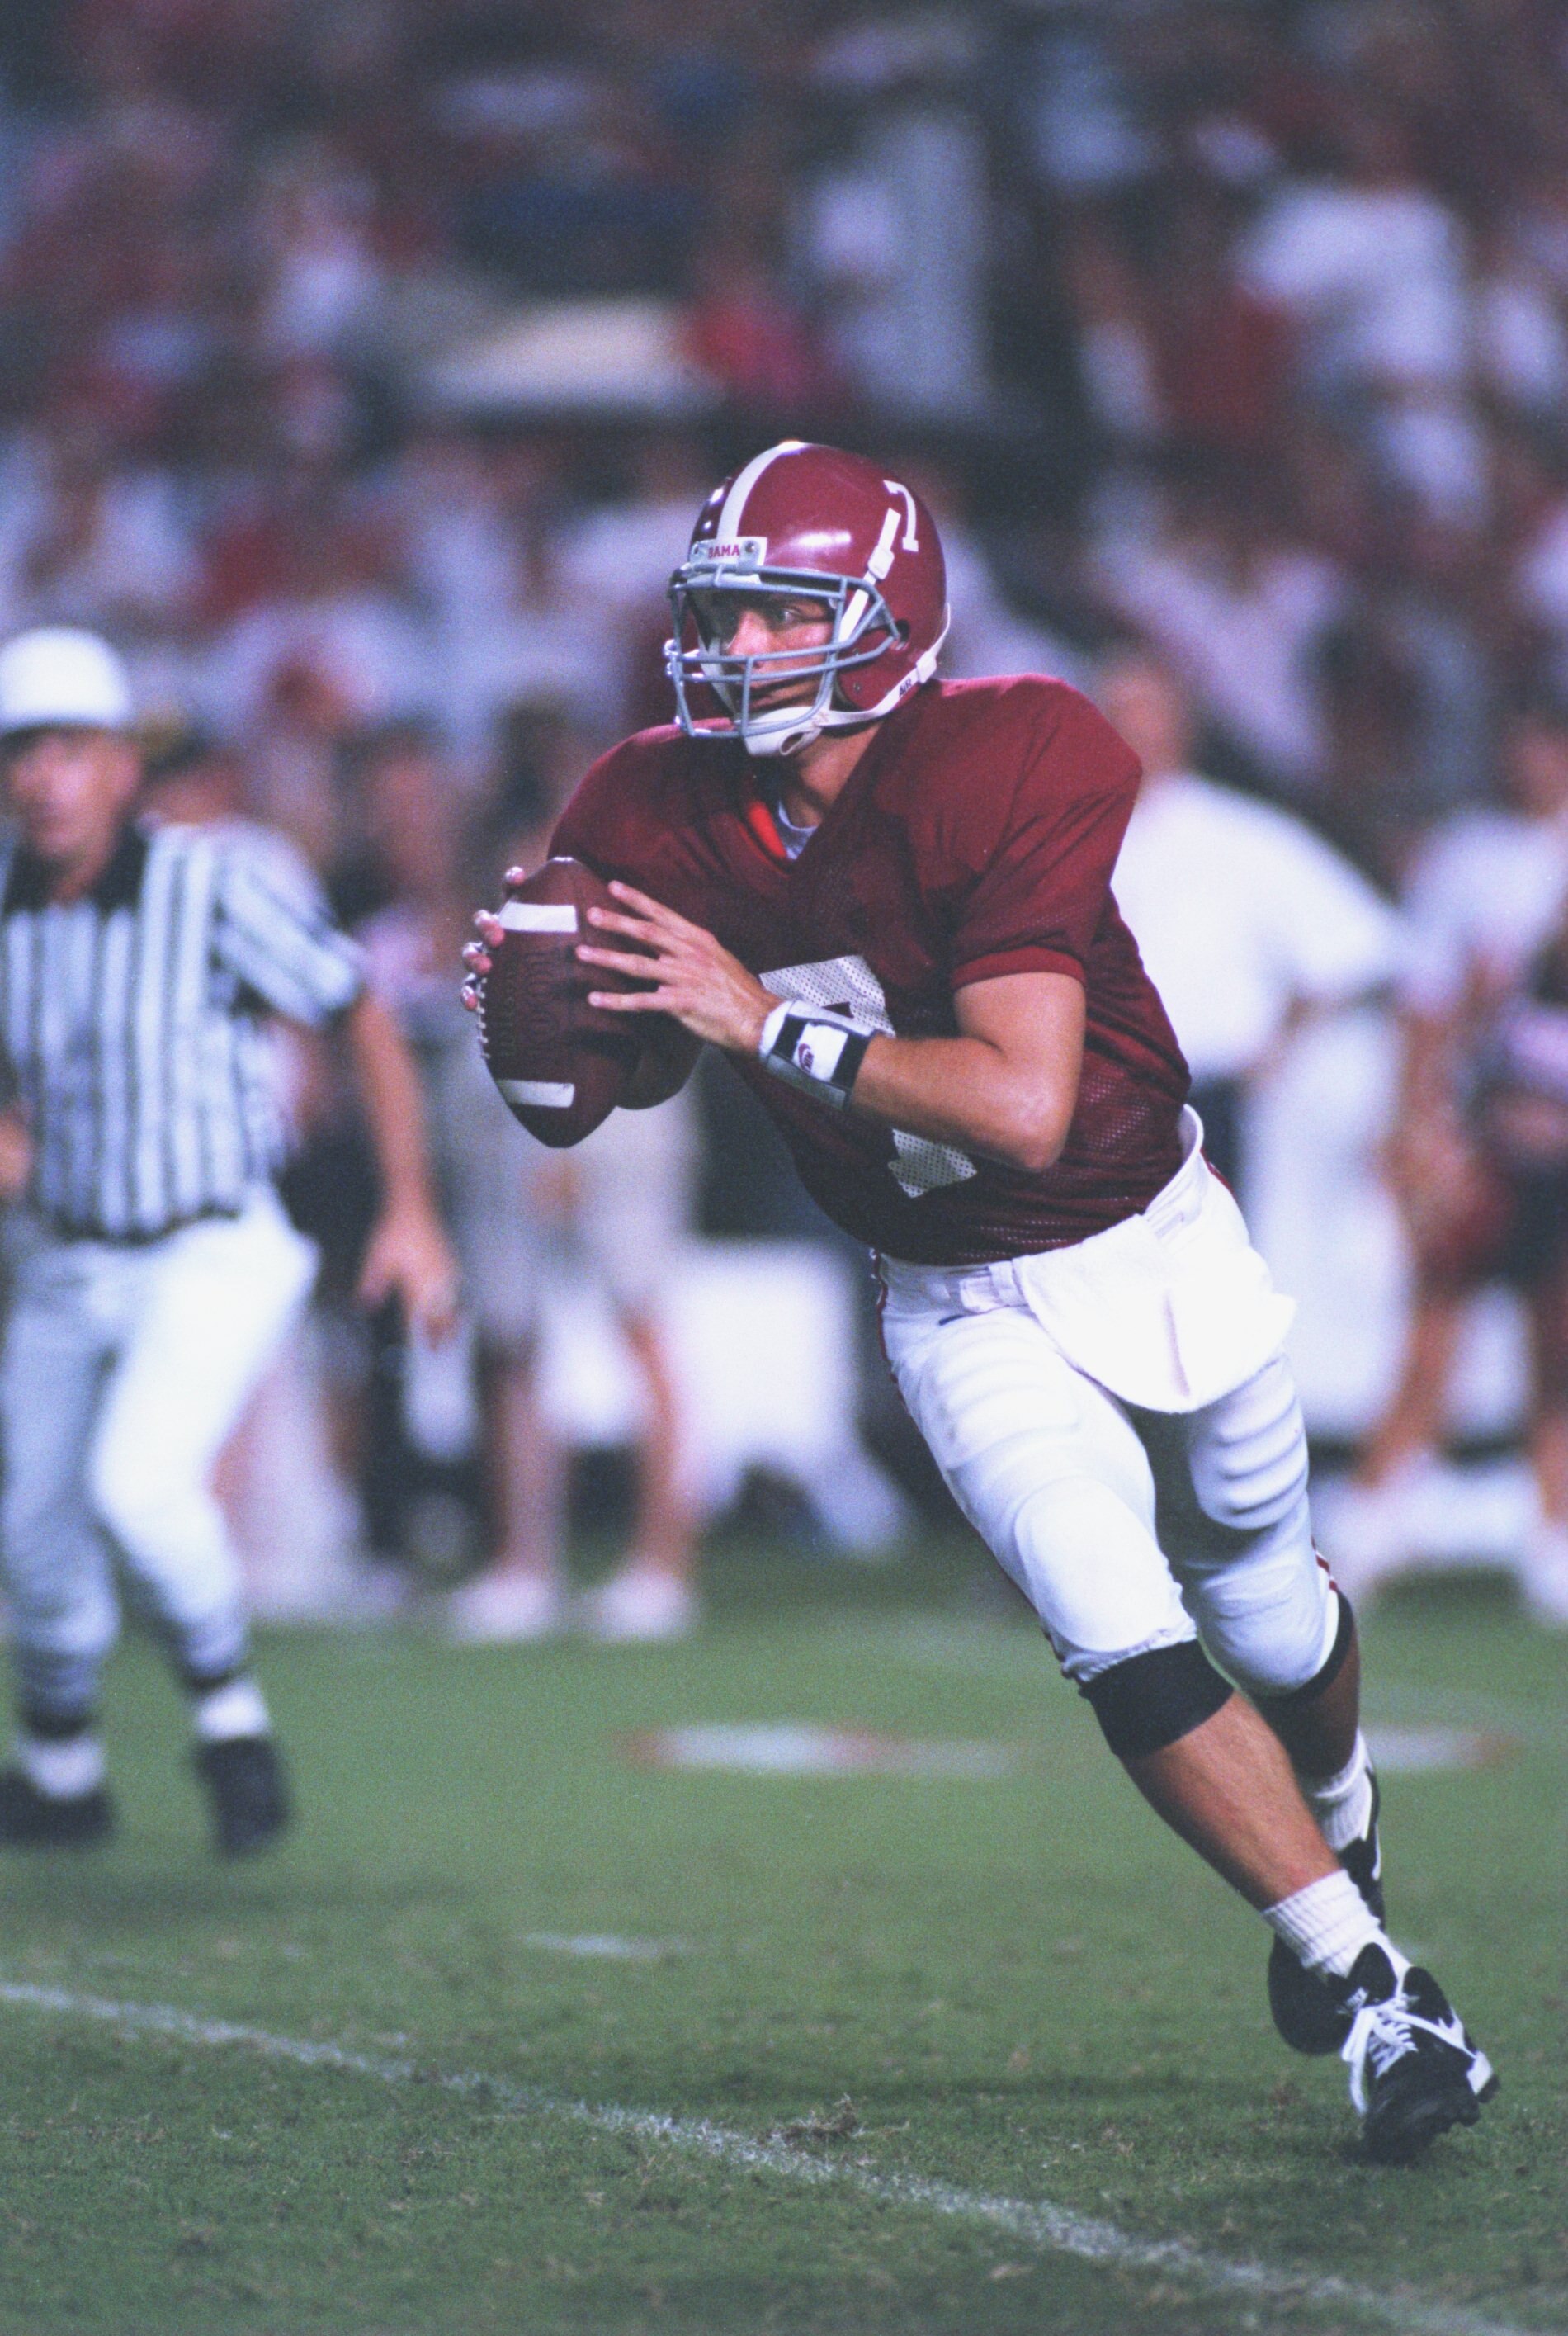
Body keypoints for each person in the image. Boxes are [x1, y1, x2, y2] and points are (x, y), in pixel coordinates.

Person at [462, 441, 1496, 2163]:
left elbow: (1019, 1098)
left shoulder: (1011, 750)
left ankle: (1336, 1813)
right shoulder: (643, 802)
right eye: (716, 609)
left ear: (884, 625)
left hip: (1142, 1230)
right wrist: (568, 1025)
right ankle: (1373, 1982)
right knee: (1115, 1626)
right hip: (949, 1290)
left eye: (776, 614)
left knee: (1264, 1597)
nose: (732, 646)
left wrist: (753, 1019)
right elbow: (620, 1077)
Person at [0, 627, 457, 1856]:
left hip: (211, 1240)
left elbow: (352, 999)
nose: (43, 776)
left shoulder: (202, 883)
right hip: (62, 1251)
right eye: (21, 751)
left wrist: (410, 1204)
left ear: (118, 766)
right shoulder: (6, 908)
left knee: (138, 1489)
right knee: (27, 1533)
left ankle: (231, 1721)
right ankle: (61, 1769)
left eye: (68, 749)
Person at [357, 725, 700, 1643]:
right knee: (507, 1335)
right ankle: (521, 1564)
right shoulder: (485, 843)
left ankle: (663, 1563)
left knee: (638, 1323)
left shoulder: (634, 855)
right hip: (500, 1083)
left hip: (613, 1087)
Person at [1327, 687, 1568, 1624]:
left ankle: (1552, 1537)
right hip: (1495, 1131)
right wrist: (1416, 1124)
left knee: (1558, 1347)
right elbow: (1430, 1006)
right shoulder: (1472, 856)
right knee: (1434, 1332)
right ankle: (1369, 1531)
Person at [1102, 646, 1400, 1193]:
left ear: (1181, 723)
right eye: (1116, 709)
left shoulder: (1242, 834)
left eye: (1147, 709)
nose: (1132, 726)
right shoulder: (1073, 835)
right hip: (1106, 1104)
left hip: (1212, 1101)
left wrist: (1278, 1049)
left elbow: (1359, 946)